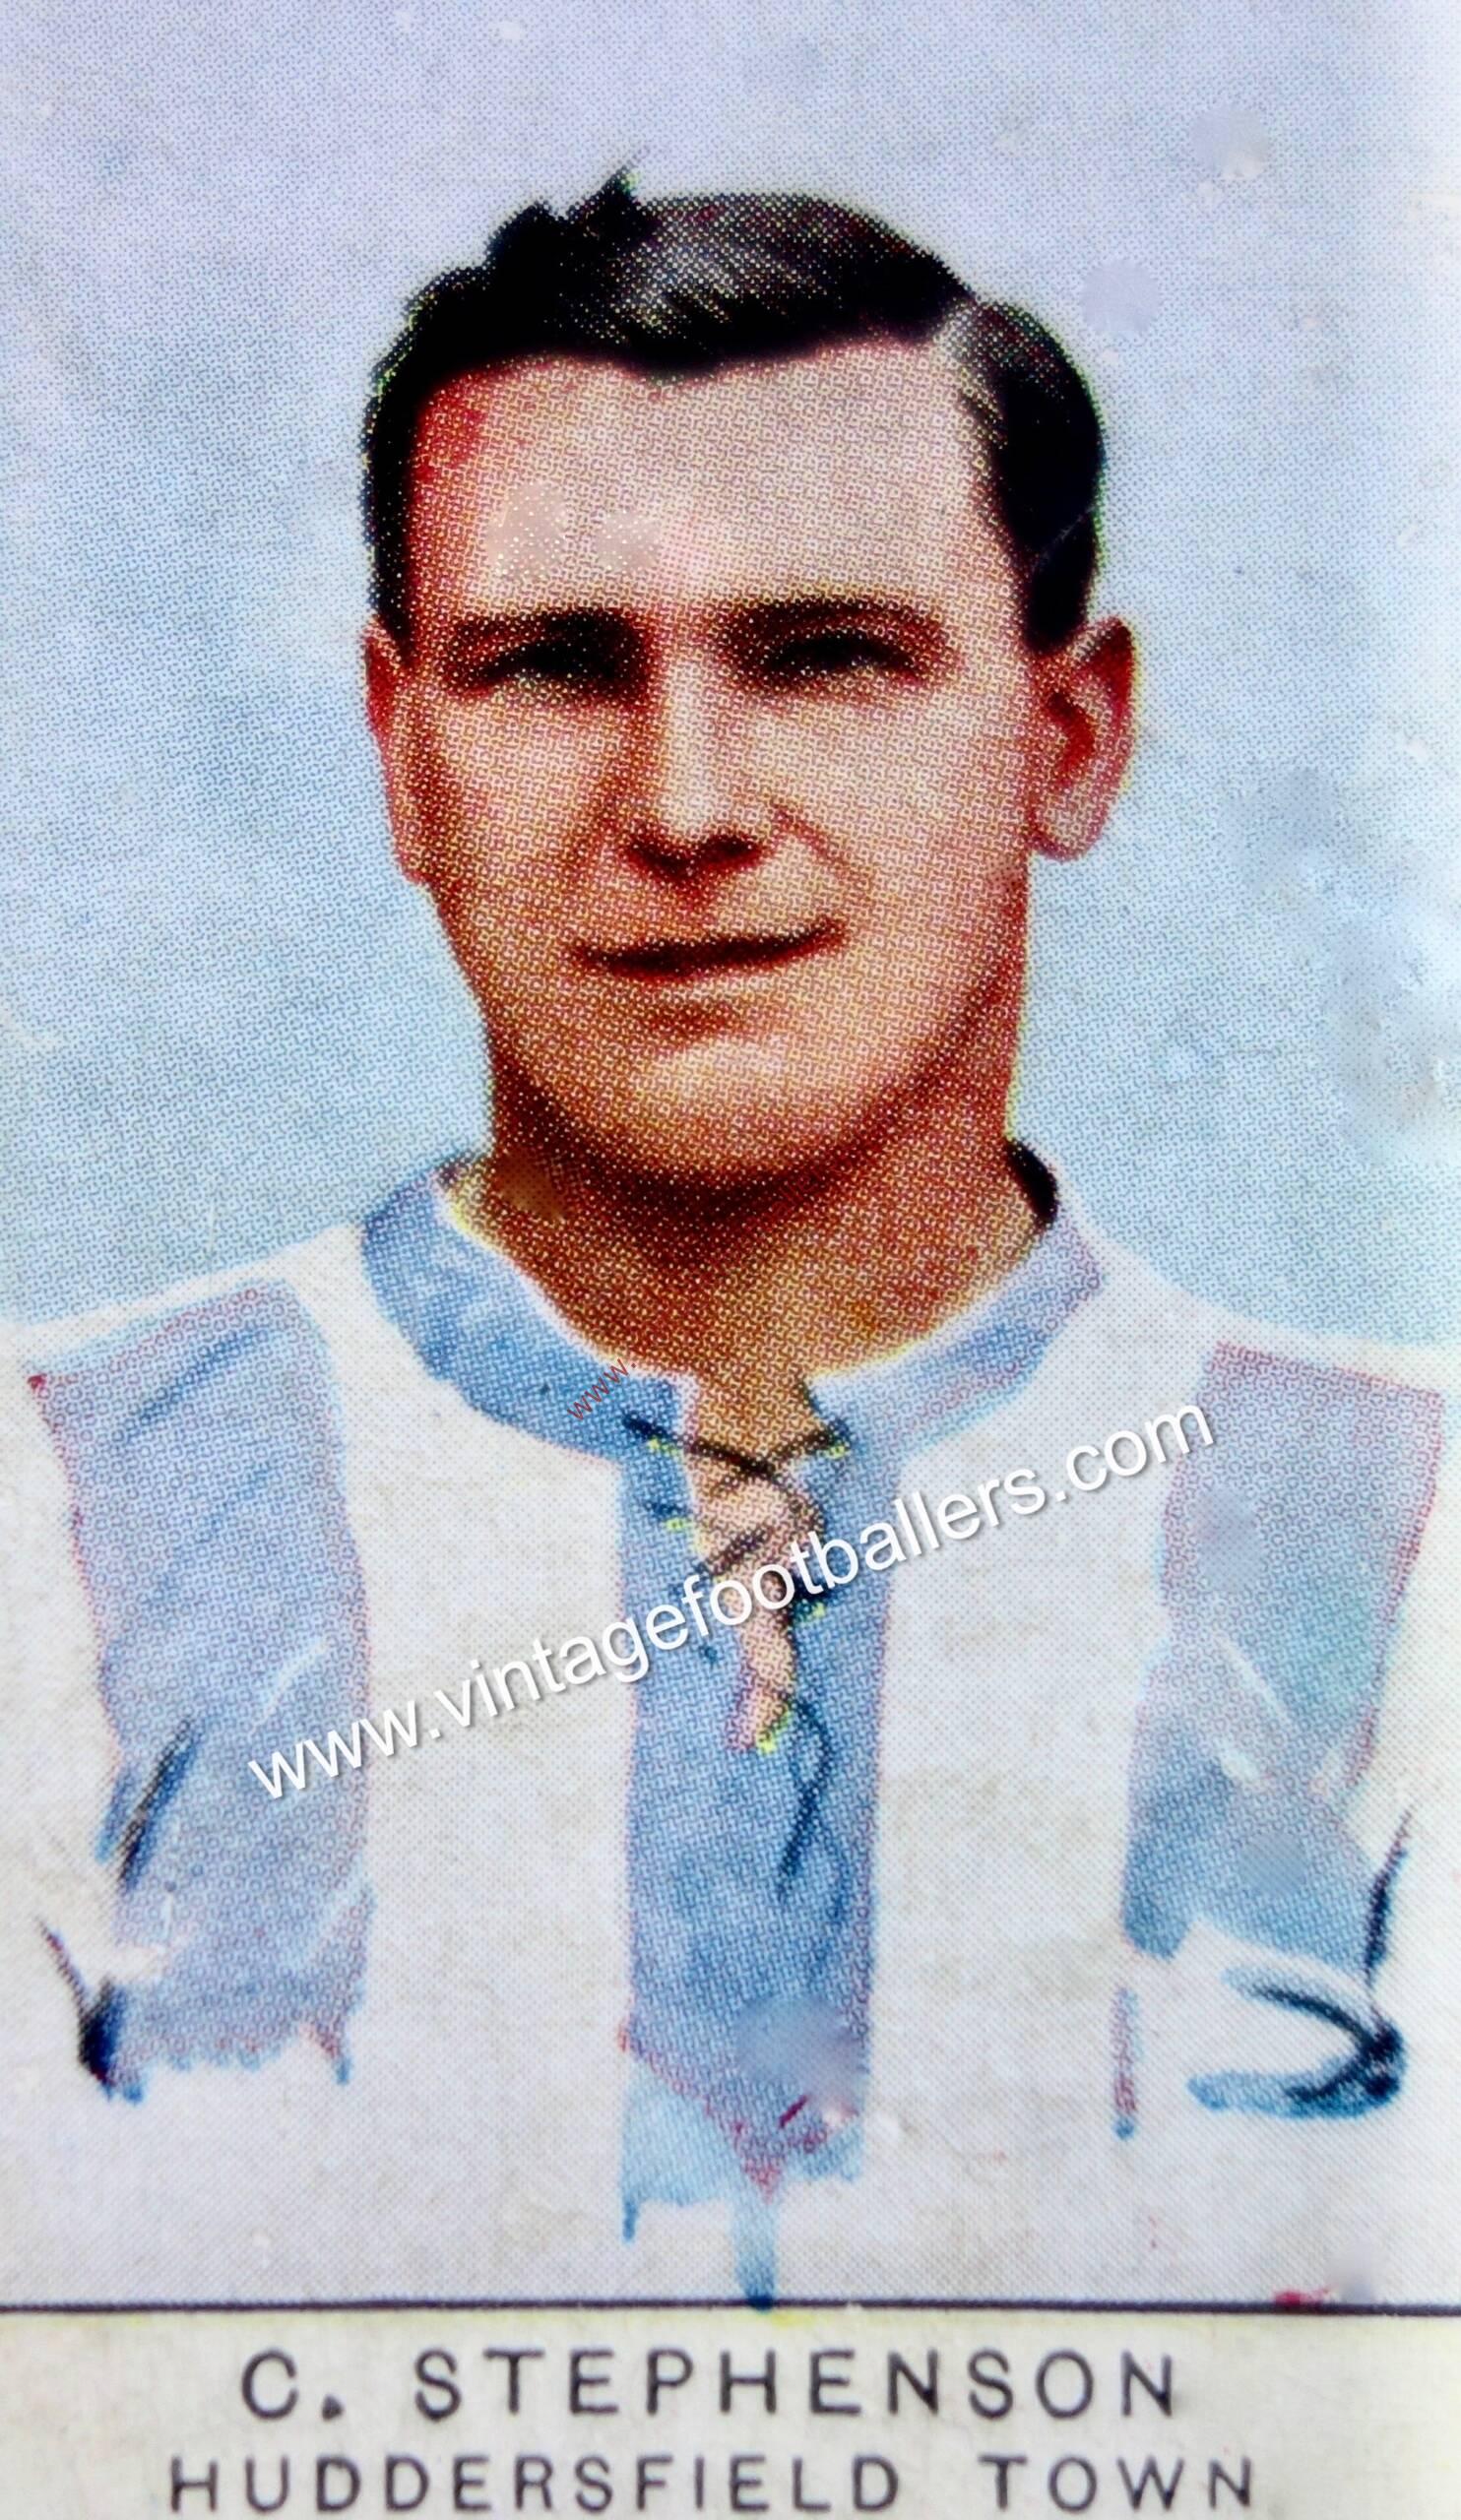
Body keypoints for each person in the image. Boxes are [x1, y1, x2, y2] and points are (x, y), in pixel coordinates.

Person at [2, 176, 1456, 2308]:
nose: (687, 805)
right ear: (403, 756)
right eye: (554, 668)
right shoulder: (48, 1513)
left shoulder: (1413, 1550)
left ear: (1067, 738)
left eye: (828, 659)